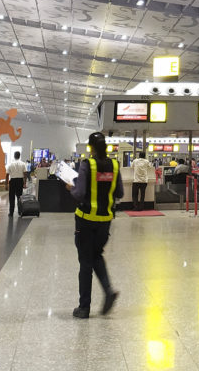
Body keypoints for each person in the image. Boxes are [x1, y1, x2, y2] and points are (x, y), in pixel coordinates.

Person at [66, 132, 122, 319]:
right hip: (105, 222)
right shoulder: (114, 165)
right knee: (96, 254)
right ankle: (108, 291)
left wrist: (70, 188)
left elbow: (79, 193)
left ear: (90, 147)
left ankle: (84, 307)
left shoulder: (87, 164)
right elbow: (120, 192)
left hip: (86, 220)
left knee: (85, 262)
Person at [6, 150, 27, 216]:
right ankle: (20, 211)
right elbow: (25, 174)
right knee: (19, 197)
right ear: (19, 156)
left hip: (12, 181)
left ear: (14, 156)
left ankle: (11, 212)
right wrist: (24, 183)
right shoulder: (23, 164)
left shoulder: (10, 164)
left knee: (11, 197)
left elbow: (7, 175)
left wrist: (6, 184)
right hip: (20, 181)